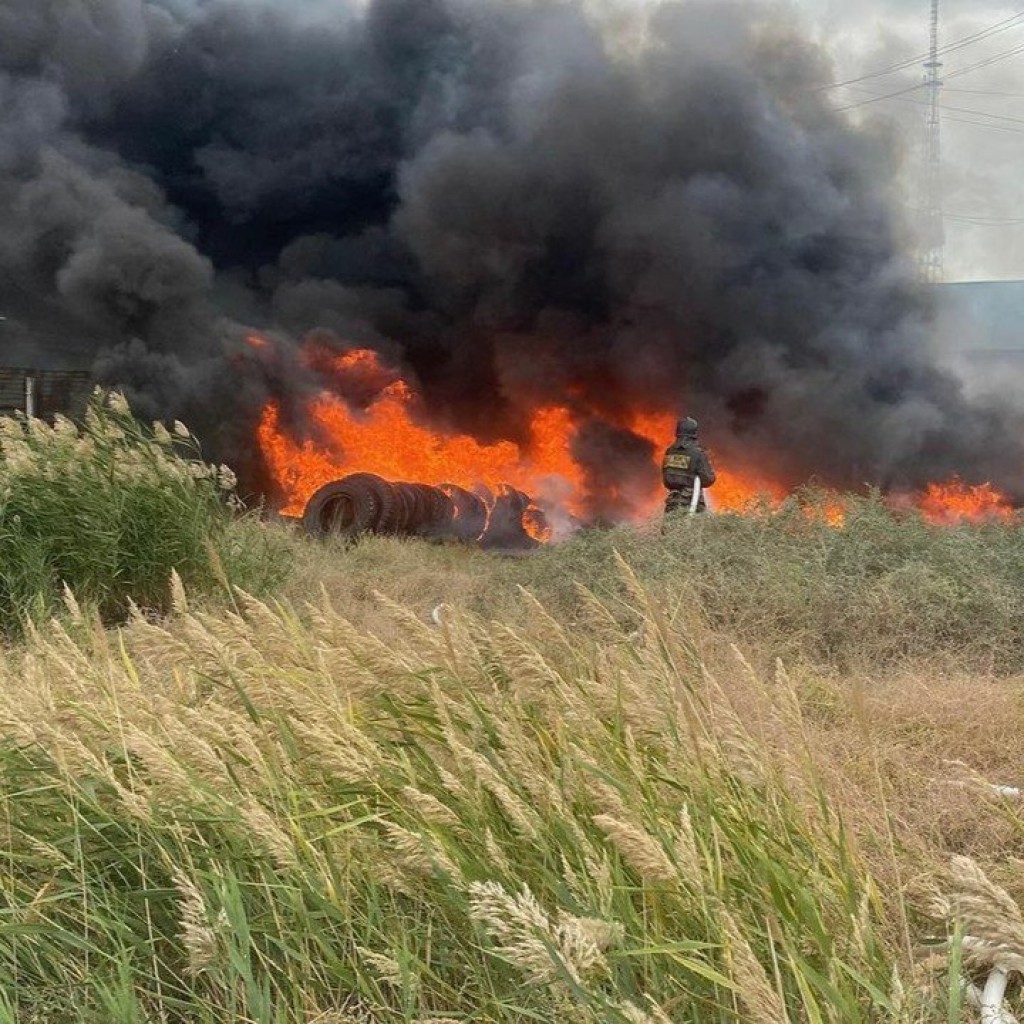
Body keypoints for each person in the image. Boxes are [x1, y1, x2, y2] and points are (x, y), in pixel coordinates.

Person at [662, 417, 716, 516]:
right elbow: (708, 479)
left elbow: (666, 479)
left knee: (671, 528)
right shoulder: (698, 453)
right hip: (692, 504)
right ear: (694, 433)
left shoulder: (669, 451)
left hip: (672, 502)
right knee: (695, 530)